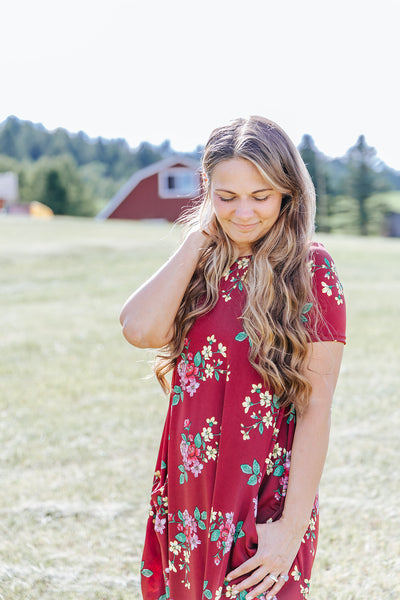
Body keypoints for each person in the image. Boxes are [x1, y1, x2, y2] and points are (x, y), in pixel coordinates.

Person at [120, 116, 346, 600]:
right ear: (207, 193)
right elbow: (139, 328)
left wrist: (288, 529)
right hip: (191, 489)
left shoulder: (312, 270)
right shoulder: (200, 264)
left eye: (260, 196)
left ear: (288, 192)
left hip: (265, 496)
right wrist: (200, 237)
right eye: (227, 197)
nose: (243, 213)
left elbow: (316, 408)